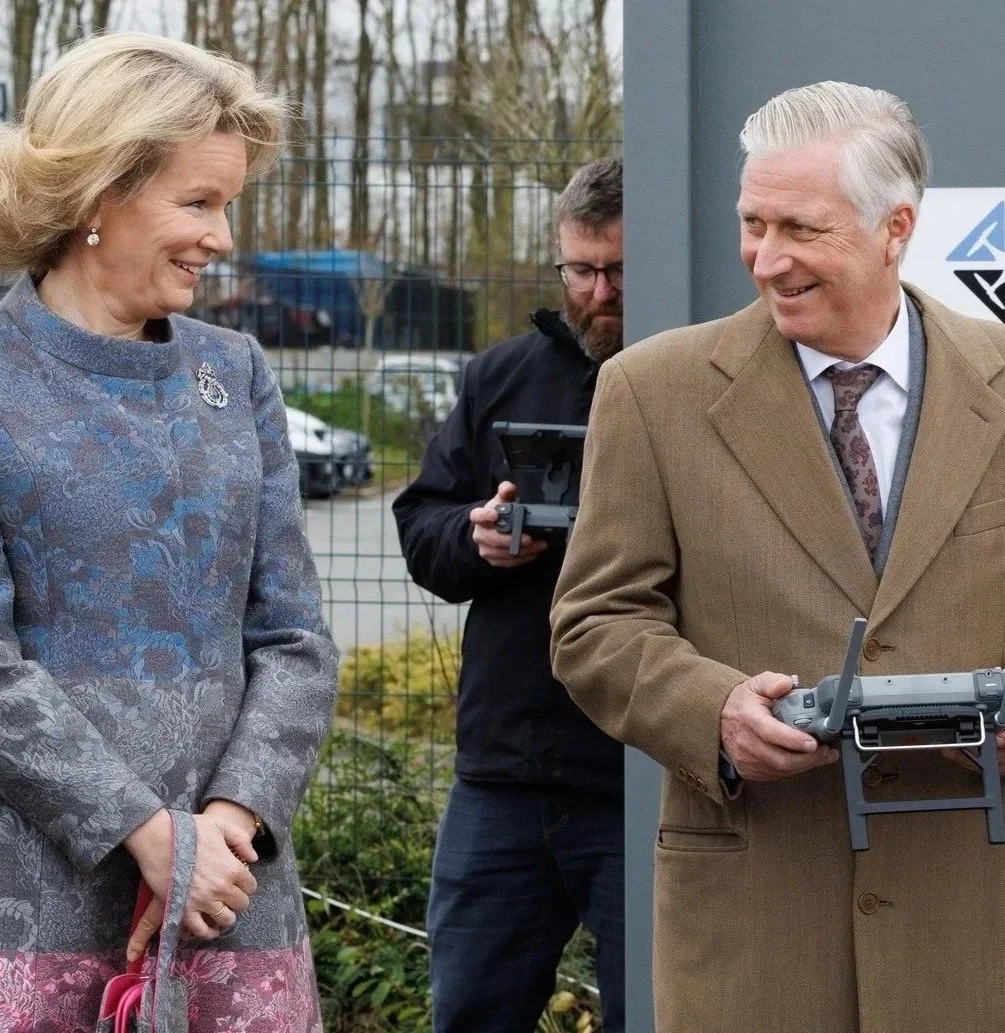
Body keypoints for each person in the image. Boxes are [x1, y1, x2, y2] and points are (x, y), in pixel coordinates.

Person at [551, 81, 1005, 1033]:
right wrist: (710, 709)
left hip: (974, 914)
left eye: (801, 227)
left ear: (895, 228)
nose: (766, 259)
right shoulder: (651, 391)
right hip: (761, 923)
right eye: (751, 223)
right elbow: (594, 624)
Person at [0, 32, 338, 1032]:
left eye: (226, 203)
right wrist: (141, 830)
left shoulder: (239, 373)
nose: (221, 237)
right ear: (98, 194)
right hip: (27, 883)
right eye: (198, 201)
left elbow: (296, 640)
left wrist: (226, 823)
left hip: (231, 885)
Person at [393, 158, 625, 1032]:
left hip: (641, 769)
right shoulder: (498, 377)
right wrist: (476, 537)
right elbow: (423, 524)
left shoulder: (697, 377)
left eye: (617, 271)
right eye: (578, 270)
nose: (596, 293)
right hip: (504, 771)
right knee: (471, 1011)